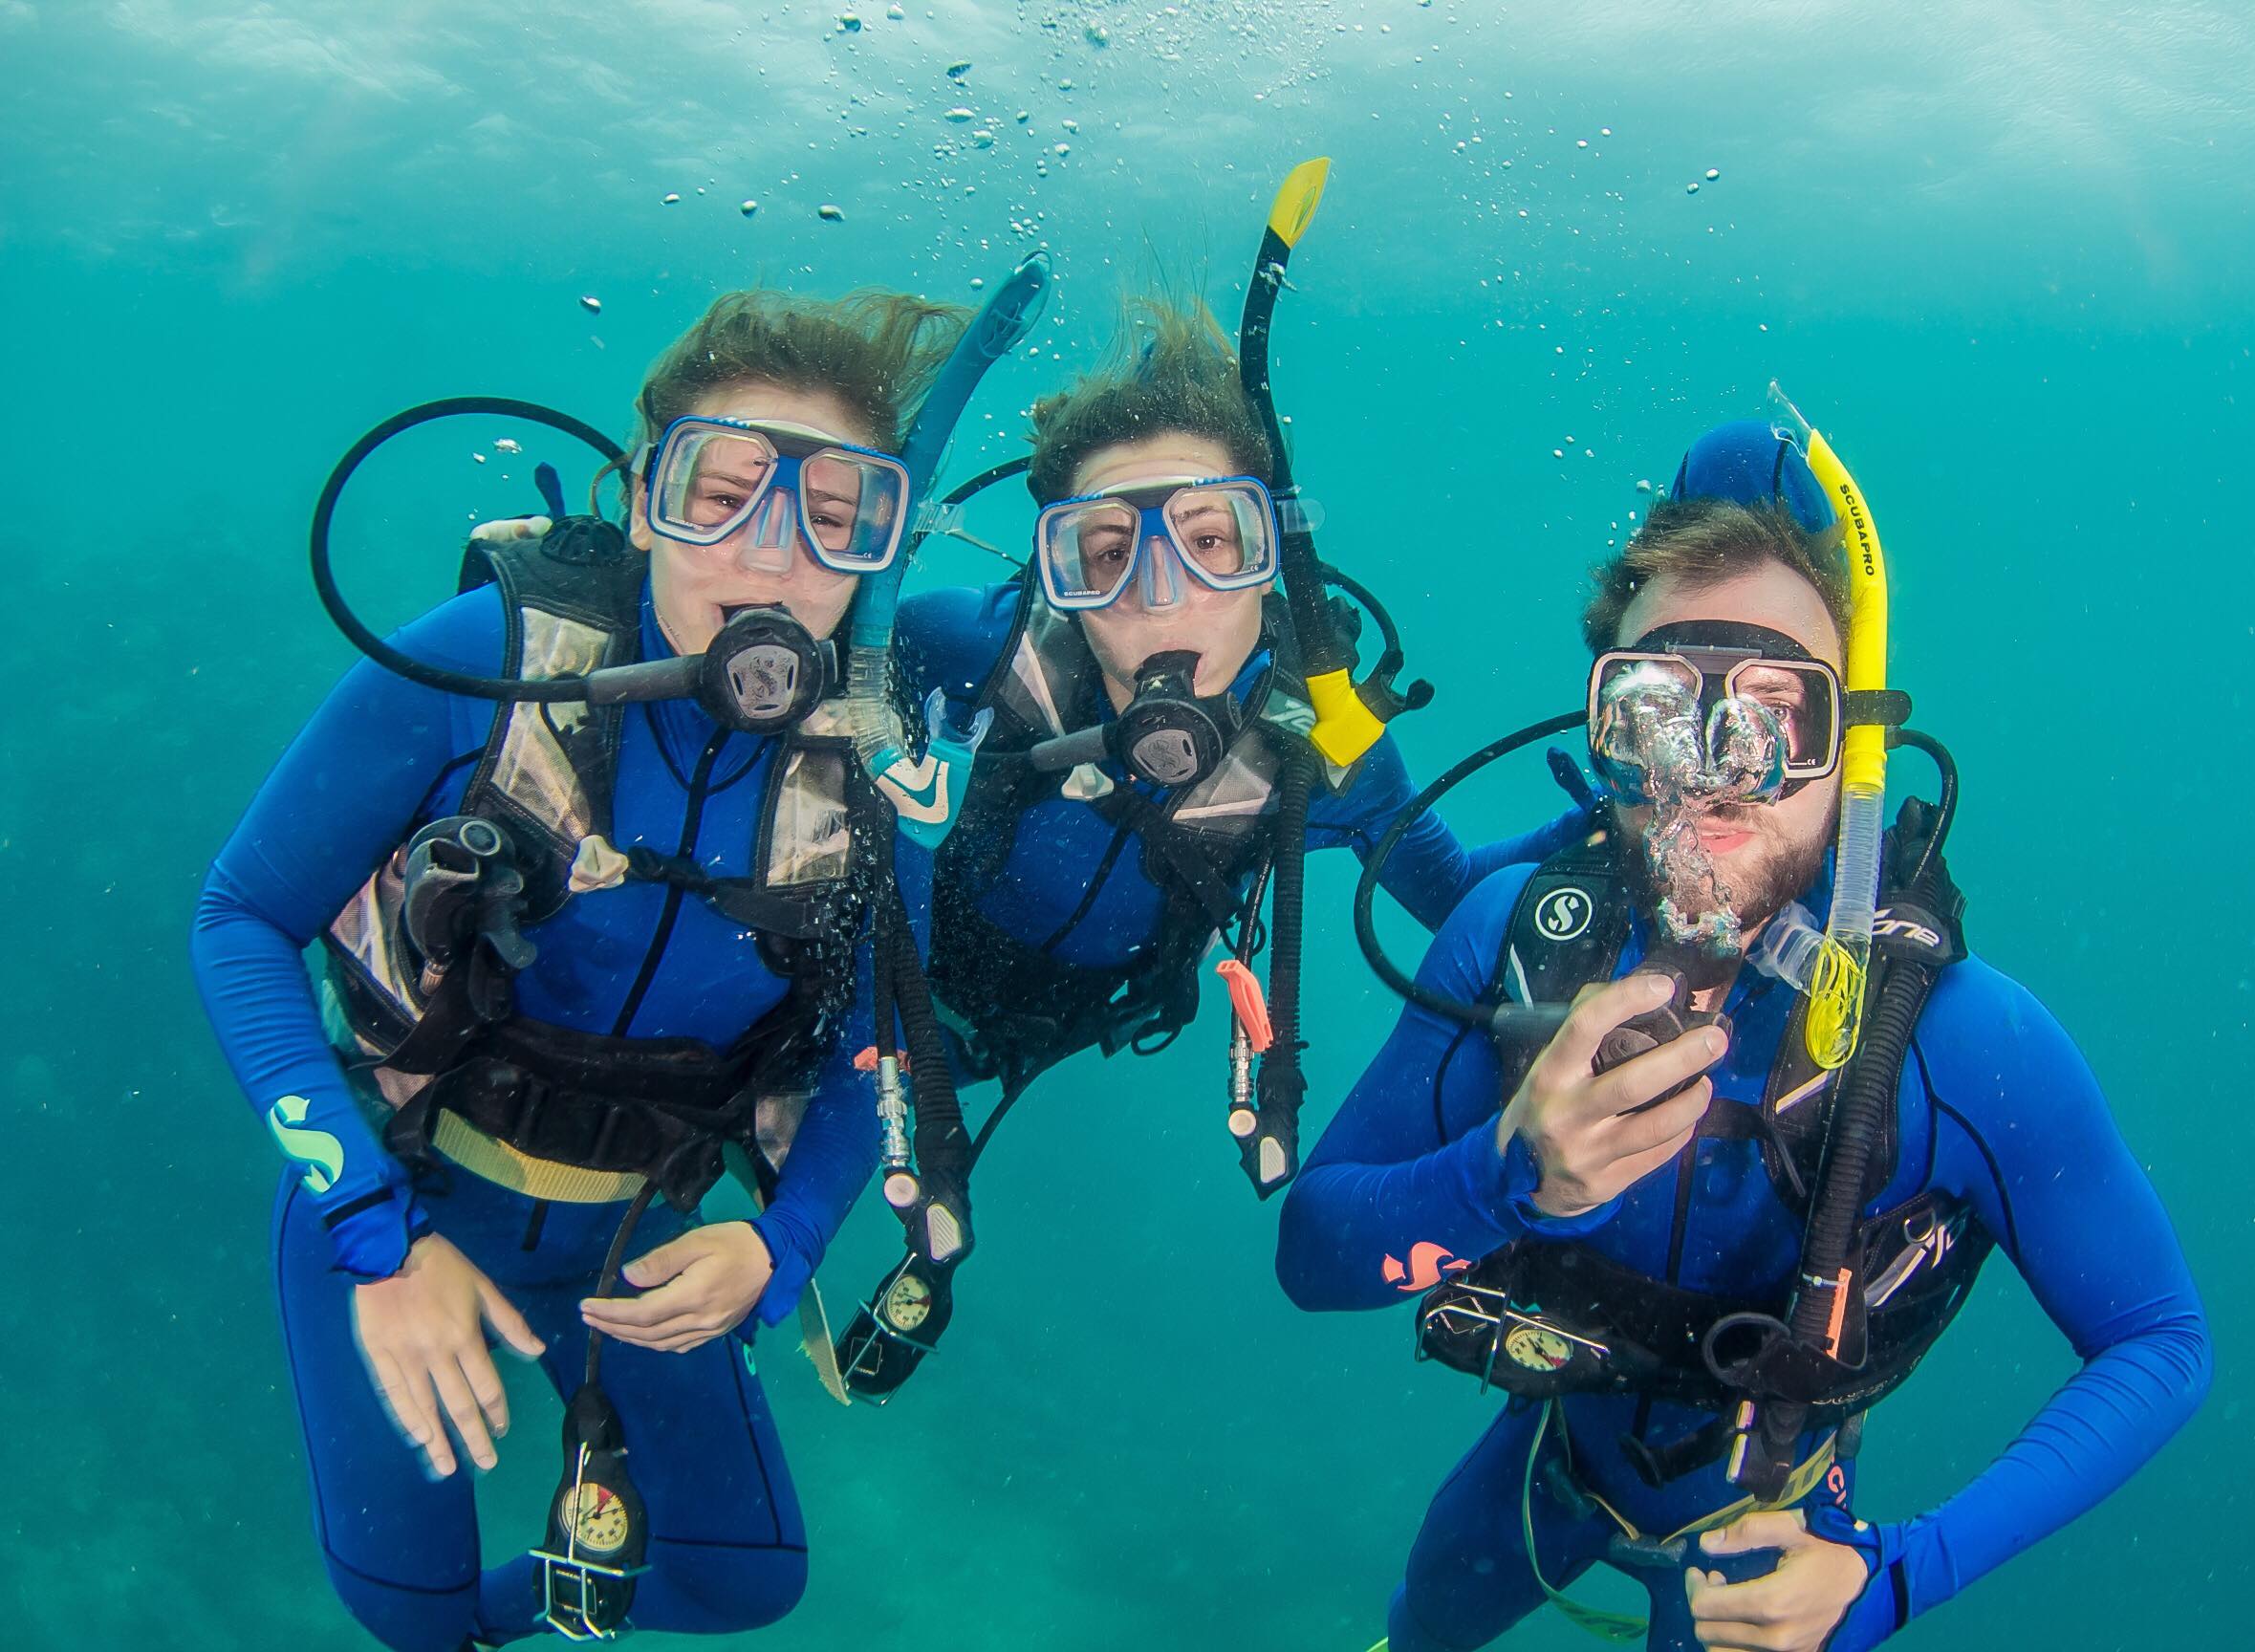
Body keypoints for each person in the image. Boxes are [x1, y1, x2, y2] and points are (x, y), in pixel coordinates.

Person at [1275, 408, 2212, 1652]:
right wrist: (1501, 1177)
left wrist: (1899, 1576)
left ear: (1854, 751)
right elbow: (1312, 1256)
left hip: (1769, 1534)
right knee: (1422, 1628)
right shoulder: (1519, 932)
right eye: (1658, 707)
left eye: (1776, 713)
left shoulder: (1960, 1040)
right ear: (1601, 729)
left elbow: (2160, 1340)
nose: (1715, 768)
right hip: (1547, 1467)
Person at [191, 271, 1033, 1650]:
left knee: (745, 1581)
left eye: (836, 516)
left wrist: (779, 1245)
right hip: (405, 1196)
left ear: (878, 552)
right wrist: (371, 1235)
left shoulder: (881, 766)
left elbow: (879, 1043)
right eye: (722, 492)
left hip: (643, 1240)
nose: (771, 559)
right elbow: (238, 916)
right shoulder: (488, 658)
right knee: (404, 1618)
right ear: (643, 498)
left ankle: (556, 1562)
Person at [836, 290, 1585, 1393]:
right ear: (1058, 581)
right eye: (1101, 553)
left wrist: (1609, 816)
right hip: (896, 988)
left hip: (1088, 1019)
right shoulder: (963, 653)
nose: (1160, 596)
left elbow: (1462, 893)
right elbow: (788, 683)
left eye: (1208, 544)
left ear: (1270, 562)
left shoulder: (1321, 752)